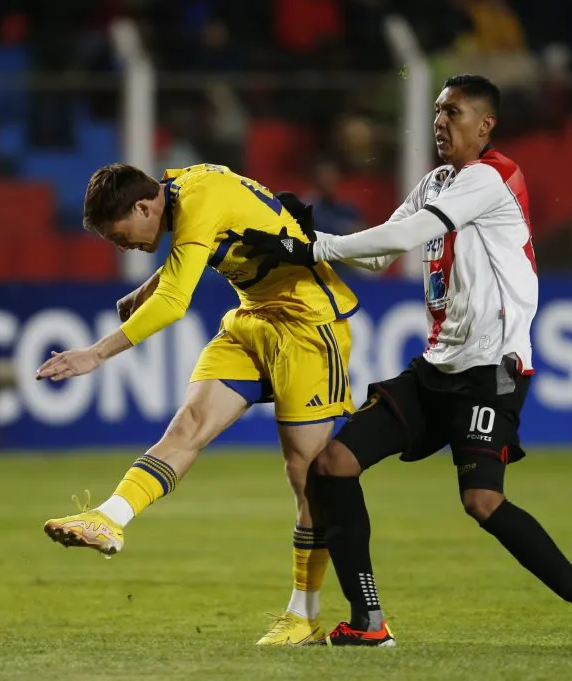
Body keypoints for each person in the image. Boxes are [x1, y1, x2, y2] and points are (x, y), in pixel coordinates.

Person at [240, 74, 572, 652]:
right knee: (333, 464)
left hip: (491, 370)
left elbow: (415, 233)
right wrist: (303, 232)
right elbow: (381, 253)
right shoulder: (437, 182)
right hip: (437, 368)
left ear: (486, 124)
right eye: (436, 111)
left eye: (453, 111)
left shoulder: (492, 176)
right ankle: (368, 621)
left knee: (482, 502)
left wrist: (314, 248)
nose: (440, 122)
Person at [37, 162, 387, 645]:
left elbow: (177, 301)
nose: (122, 248)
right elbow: (195, 249)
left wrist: (96, 353)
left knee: (307, 474)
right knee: (188, 425)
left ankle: (303, 615)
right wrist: (146, 287)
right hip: (252, 318)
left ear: (143, 207)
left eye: (120, 236)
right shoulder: (180, 189)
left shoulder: (200, 195)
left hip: (308, 323)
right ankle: (109, 519)